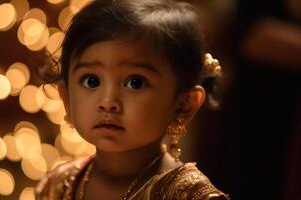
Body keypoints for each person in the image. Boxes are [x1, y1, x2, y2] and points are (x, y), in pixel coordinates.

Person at [35, 0, 229, 199]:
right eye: (91, 81)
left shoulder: (189, 195)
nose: (108, 101)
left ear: (184, 105)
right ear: (66, 97)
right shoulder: (56, 185)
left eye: (135, 83)